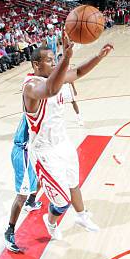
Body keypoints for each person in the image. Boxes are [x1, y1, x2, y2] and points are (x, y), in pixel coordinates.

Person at [22, 33, 113, 240]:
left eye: (55, 59)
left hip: (63, 143)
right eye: (49, 60)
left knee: (74, 184)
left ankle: (81, 216)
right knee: (62, 202)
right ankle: (50, 221)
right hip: (44, 151)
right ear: (36, 64)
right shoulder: (30, 86)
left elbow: (78, 72)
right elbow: (51, 89)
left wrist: (99, 56)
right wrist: (66, 58)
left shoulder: (55, 76)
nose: (54, 63)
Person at [5, 114, 42, 253]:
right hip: (23, 153)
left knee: (43, 176)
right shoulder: (33, 103)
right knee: (22, 195)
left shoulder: (43, 104)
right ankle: (9, 231)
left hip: (32, 151)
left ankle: (31, 202)